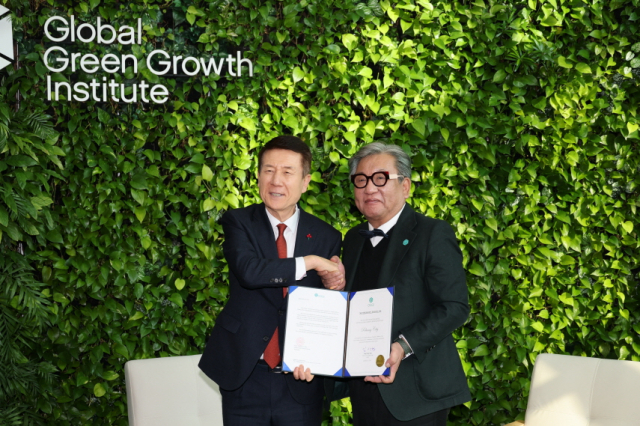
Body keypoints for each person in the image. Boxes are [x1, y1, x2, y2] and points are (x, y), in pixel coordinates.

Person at [320, 142, 471, 426]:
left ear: (406, 186)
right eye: (361, 180)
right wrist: (335, 289)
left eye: (381, 178)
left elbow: (454, 307)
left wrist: (402, 346)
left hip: (417, 392)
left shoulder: (432, 233)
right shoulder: (352, 239)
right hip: (363, 387)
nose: (369, 188)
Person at [199, 136, 343, 426]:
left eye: (287, 172)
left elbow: (327, 307)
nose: (276, 180)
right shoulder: (239, 222)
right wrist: (310, 262)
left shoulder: (326, 235)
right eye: (268, 170)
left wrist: (336, 284)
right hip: (245, 374)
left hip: (300, 381)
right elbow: (250, 271)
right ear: (258, 176)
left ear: (305, 181)